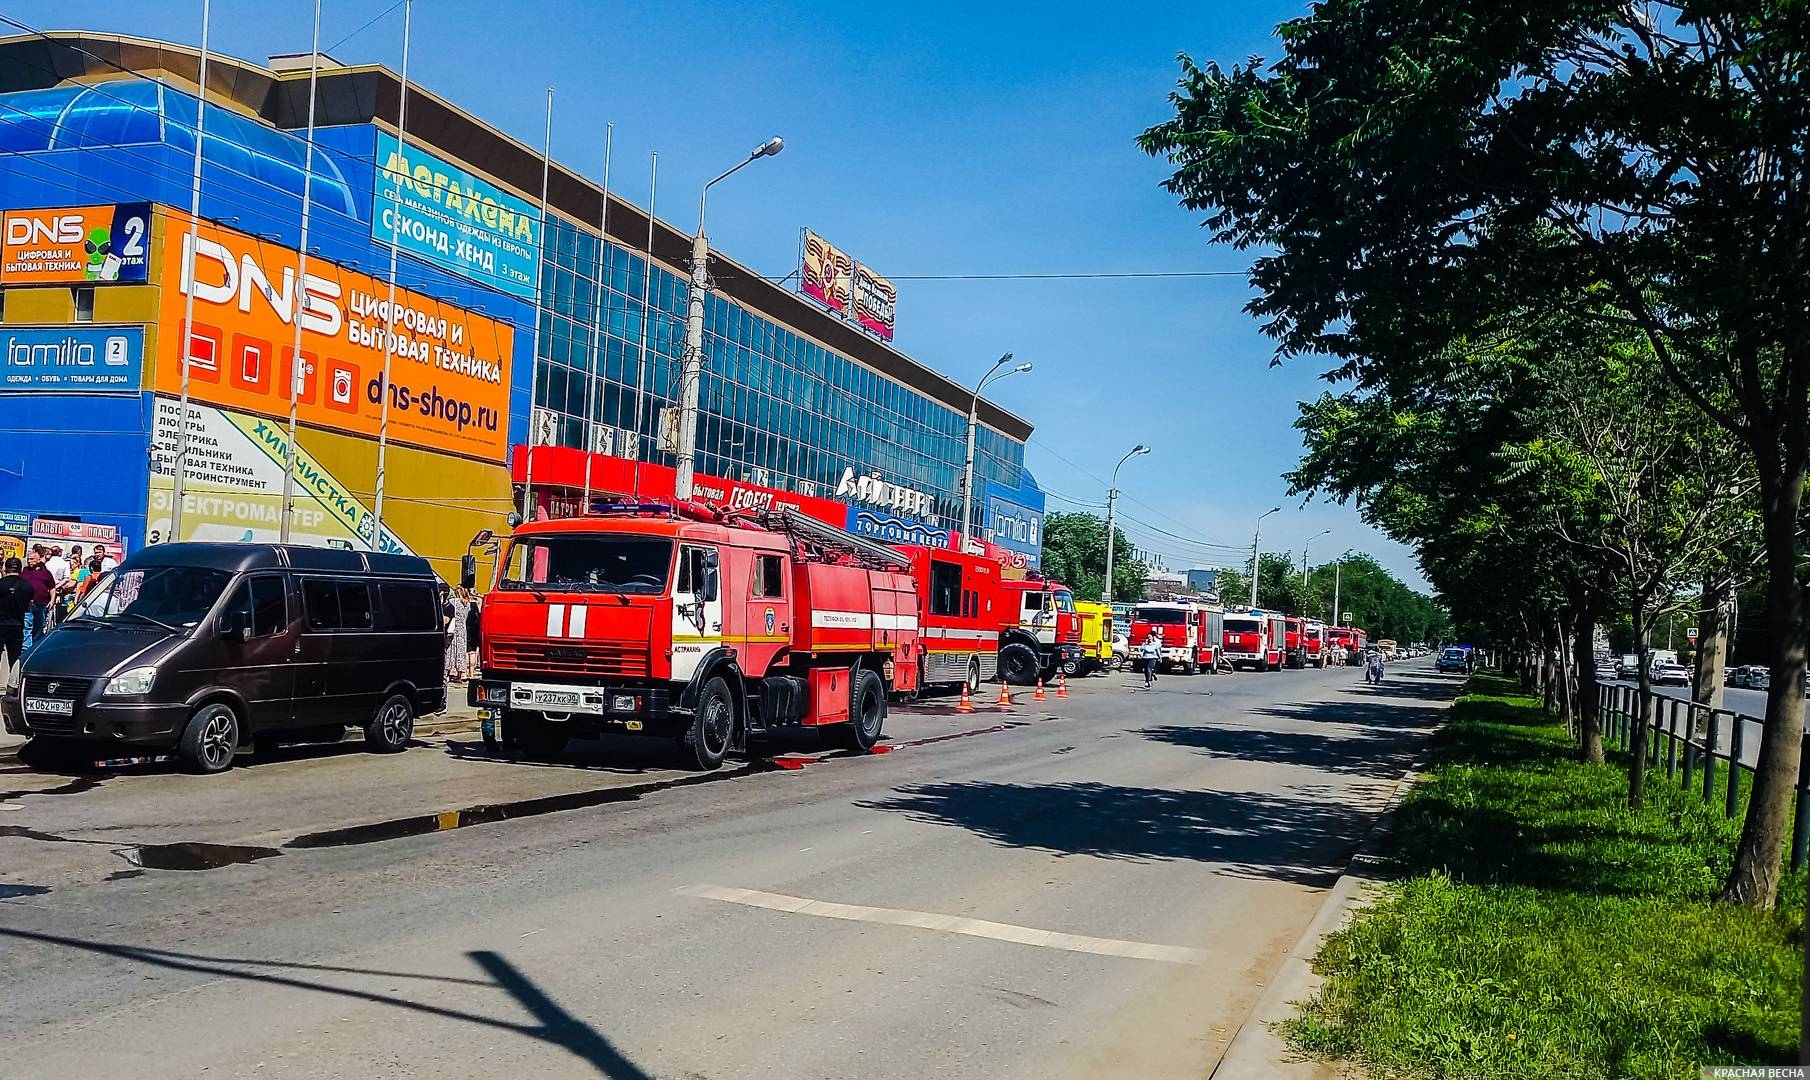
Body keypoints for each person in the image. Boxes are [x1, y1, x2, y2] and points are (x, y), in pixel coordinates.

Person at [0, 557, 33, 674]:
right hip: (17, 625)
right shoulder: (27, 586)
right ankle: (13, 687)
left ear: (6, 568)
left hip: (1, 624)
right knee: (14, 661)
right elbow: (29, 607)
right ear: (20, 569)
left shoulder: (1, 584)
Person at [19, 548, 55, 649]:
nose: (29, 561)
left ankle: (35, 647)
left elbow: (52, 588)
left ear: (38, 560)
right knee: (27, 627)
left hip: (41, 604)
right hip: (27, 604)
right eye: (28, 559)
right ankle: (26, 648)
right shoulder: (25, 571)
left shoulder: (46, 573)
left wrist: (52, 600)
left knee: (38, 628)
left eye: (31, 559)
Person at [442, 585, 472, 682]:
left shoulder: (453, 602)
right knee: (461, 651)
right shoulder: (467, 604)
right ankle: (462, 673)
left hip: (453, 628)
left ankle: (446, 671)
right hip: (462, 629)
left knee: (450, 650)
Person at [463, 588, 482, 675]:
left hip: (467, 628)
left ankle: (466, 671)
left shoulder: (465, 603)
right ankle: (472, 672)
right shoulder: (478, 602)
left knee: (467, 651)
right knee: (473, 651)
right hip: (476, 628)